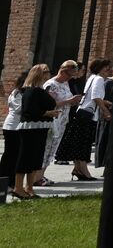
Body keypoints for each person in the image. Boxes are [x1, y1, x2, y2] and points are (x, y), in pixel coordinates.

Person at [55, 58, 111, 181]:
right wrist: (105, 110)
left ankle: (78, 169)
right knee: (84, 144)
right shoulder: (99, 79)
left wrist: (105, 102)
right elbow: (95, 97)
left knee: (79, 143)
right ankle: (84, 171)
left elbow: (91, 96)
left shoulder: (92, 78)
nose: (109, 70)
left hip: (82, 112)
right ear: (101, 68)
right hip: (88, 115)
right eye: (107, 67)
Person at [14, 65, 62, 200]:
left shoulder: (39, 90)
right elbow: (29, 111)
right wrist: (49, 113)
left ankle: (29, 188)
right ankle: (18, 188)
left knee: (36, 159)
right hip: (30, 129)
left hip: (40, 128)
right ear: (39, 74)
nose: (49, 73)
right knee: (25, 158)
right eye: (46, 71)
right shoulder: (32, 91)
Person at [40, 60, 81, 180]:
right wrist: (69, 101)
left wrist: (73, 102)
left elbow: (66, 101)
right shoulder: (51, 84)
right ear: (62, 71)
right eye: (69, 75)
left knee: (53, 149)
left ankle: (42, 175)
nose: (70, 78)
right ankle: (38, 176)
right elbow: (49, 104)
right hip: (53, 121)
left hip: (62, 120)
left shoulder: (65, 84)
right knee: (46, 148)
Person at [2, 70, 27, 198]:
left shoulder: (23, 93)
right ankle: (4, 181)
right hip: (12, 127)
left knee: (16, 156)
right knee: (10, 156)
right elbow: (19, 109)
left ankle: (11, 182)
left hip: (19, 127)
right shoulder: (16, 93)